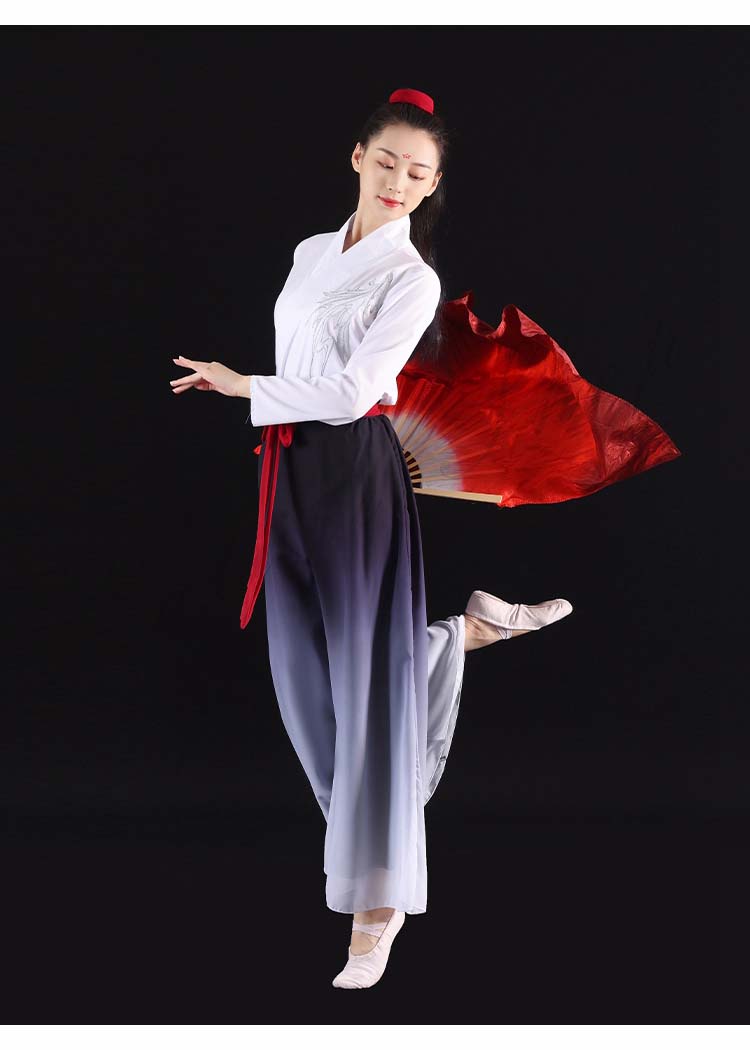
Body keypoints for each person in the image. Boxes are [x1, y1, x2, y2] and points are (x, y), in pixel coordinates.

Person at [169, 86, 572, 990]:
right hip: (287, 467)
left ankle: (377, 904)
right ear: (357, 157)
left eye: (417, 172)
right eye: (386, 160)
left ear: (431, 187)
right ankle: (462, 634)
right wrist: (261, 395)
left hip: (355, 471)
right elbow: (305, 365)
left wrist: (244, 386)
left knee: (366, 691)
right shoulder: (312, 252)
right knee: (304, 681)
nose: (398, 180)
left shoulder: (410, 278)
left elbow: (355, 393)